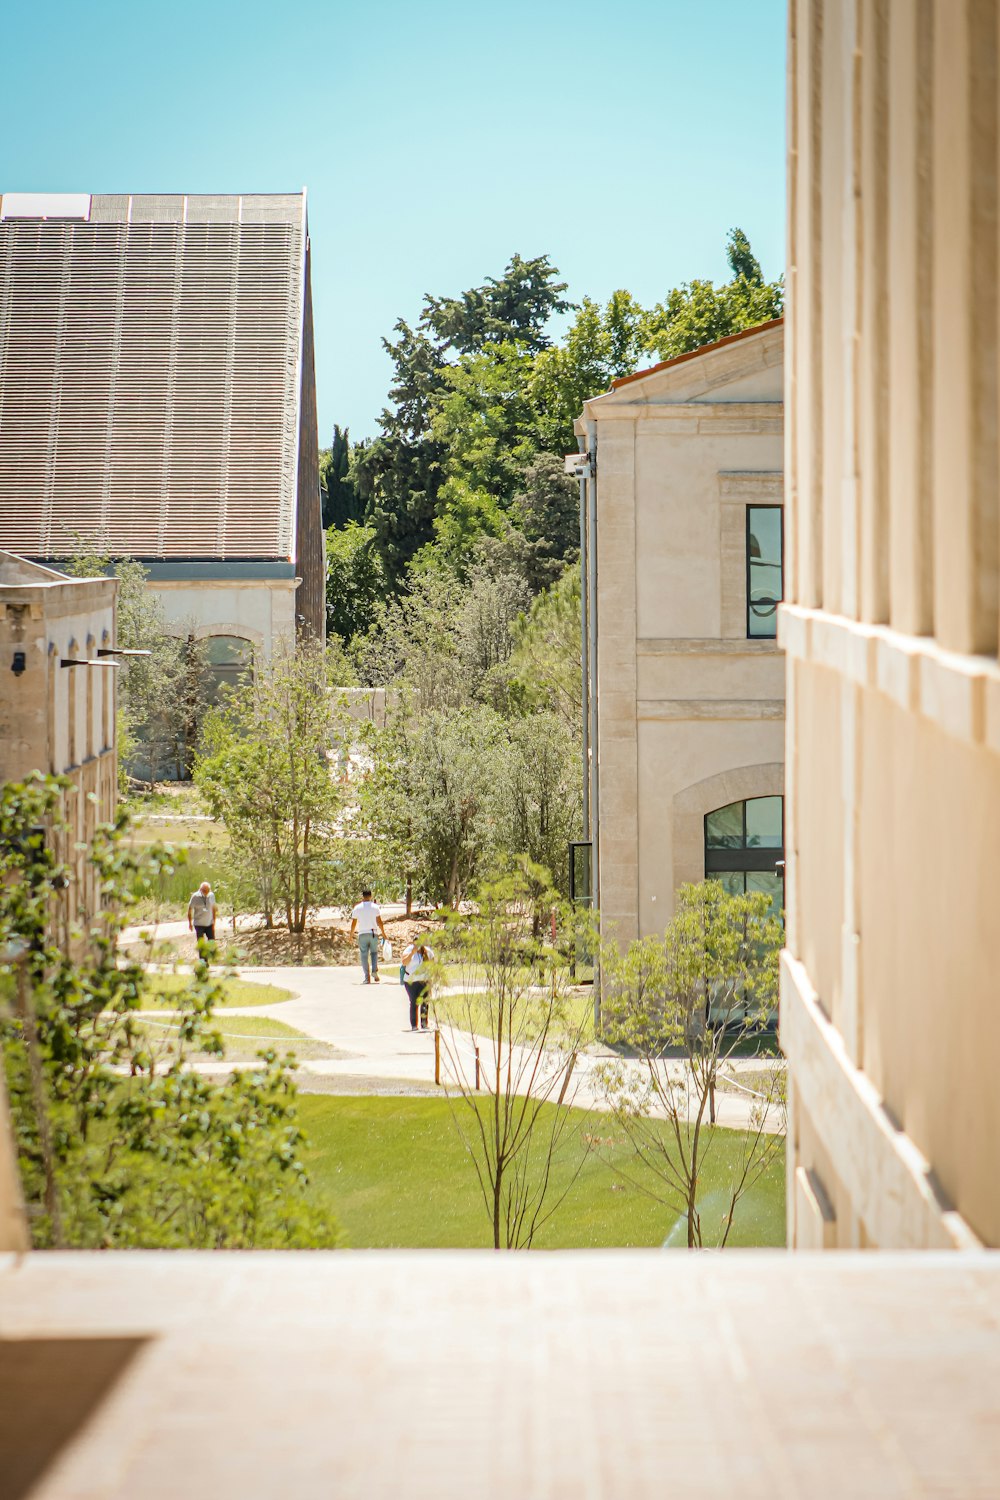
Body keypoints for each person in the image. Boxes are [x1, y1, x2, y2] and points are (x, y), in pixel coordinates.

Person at [349, 888, 387, 984]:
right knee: (374, 953)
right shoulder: (375, 907)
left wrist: (351, 934)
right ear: (370, 896)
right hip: (373, 933)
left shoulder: (357, 908)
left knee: (364, 956)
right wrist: (383, 933)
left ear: (363, 896)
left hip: (362, 934)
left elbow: (354, 923)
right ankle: (374, 971)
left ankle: (367, 978)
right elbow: (379, 922)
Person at [402, 939, 435, 1031]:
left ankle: (424, 1023)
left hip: (424, 980)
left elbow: (432, 964)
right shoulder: (409, 950)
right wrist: (412, 953)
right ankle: (414, 1025)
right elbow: (404, 962)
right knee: (414, 1002)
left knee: (425, 1001)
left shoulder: (428, 951)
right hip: (411, 981)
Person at [187, 882, 218, 948]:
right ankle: (203, 958)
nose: (206, 892)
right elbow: (189, 910)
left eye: (208, 890)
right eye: (204, 891)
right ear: (200, 890)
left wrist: (214, 922)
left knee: (212, 943)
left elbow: (214, 909)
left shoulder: (211, 895)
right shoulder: (195, 896)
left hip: (209, 923)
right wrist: (190, 923)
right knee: (201, 945)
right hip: (199, 924)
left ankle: (212, 958)